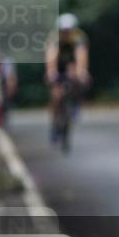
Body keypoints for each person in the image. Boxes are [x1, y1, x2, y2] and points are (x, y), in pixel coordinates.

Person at [44, 13, 90, 143]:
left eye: (69, 30)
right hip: (58, 65)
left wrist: (82, 72)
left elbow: (82, 56)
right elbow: (51, 56)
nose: (66, 33)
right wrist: (51, 72)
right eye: (64, 30)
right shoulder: (54, 38)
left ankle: (75, 103)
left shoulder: (79, 37)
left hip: (71, 64)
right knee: (56, 96)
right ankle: (54, 126)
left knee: (75, 74)